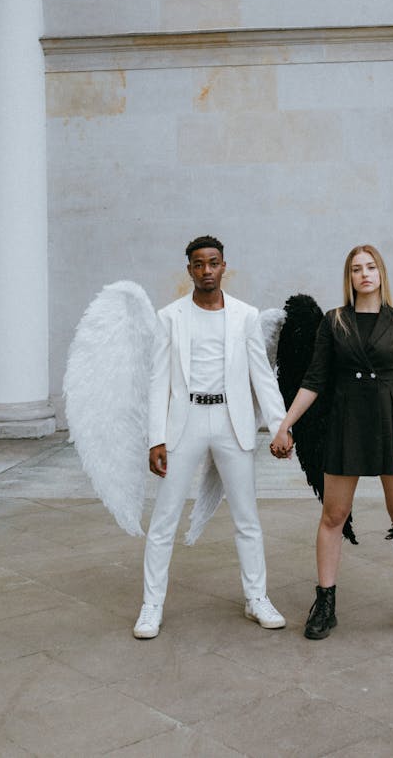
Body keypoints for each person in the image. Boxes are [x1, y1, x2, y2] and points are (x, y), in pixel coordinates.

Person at [270, 245, 393, 640]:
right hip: (346, 425)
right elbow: (314, 380)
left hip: (391, 425)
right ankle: (325, 603)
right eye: (356, 269)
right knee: (334, 517)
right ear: (348, 278)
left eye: (370, 267)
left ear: (381, 273)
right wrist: (285, 425)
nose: (364, 274)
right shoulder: (335, 322)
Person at [134, 235, 288, 639]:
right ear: (189, 270)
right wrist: (155, 438)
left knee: (247, 518)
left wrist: (279, 427)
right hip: (183, 424)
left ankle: (257, 598)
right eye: (198, 264)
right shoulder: (169, 317)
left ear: (224, 267)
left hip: (230, 421)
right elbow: (157, 383)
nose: (206, 270)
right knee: (164, 518)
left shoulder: (245, 316)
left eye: (213, 263)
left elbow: (261, 376)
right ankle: (152, 605)